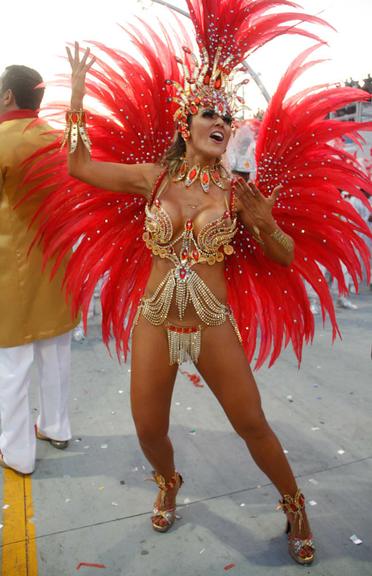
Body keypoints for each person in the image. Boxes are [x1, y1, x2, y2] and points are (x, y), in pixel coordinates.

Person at [27, 1, 371, 566]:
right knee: (147, 428)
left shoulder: (239, 194)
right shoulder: (152, 177)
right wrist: (79, 103)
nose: (220, 124)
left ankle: (295, 503)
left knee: (252, 424)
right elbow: (80, 168)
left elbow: (283, 257)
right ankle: (168, 480)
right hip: (156, 320)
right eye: (209, 116)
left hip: (211, 323)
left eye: (227, 120)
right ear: (186, 127)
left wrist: (263, 224)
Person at [0, 65, 79, 475]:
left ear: (9, 97)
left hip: (11, 272)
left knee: (12, 366)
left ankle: (17, 453)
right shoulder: (58, 139)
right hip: (58, 264)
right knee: (55, 354)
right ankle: (55, 426)